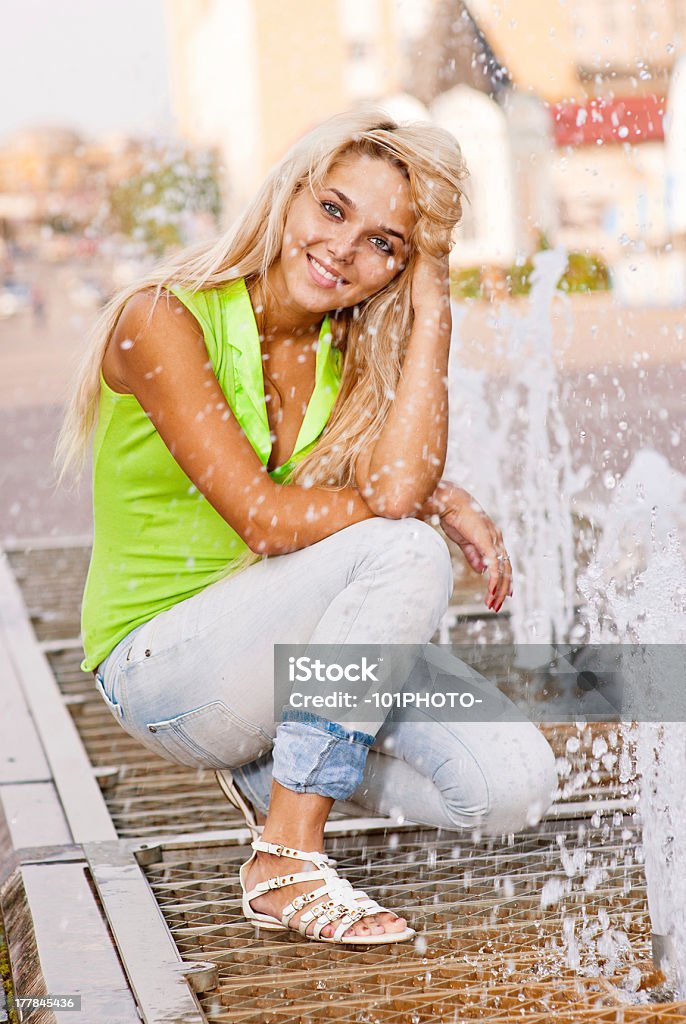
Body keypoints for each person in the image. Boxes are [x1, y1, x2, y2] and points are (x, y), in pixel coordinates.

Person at [56, 106, 557, 947]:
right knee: (403, 549)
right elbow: (265, 517)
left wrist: (434, 294)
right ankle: (287, 853)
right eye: (333, 210)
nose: (345, 250)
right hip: (160, 666)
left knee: (515, 788)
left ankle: (275, 768)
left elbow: (395, 479)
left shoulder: (345, 352)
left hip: (279, 652)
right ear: (289, 196)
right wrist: (425, 502)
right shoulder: (161, 319)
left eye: (386, 244)